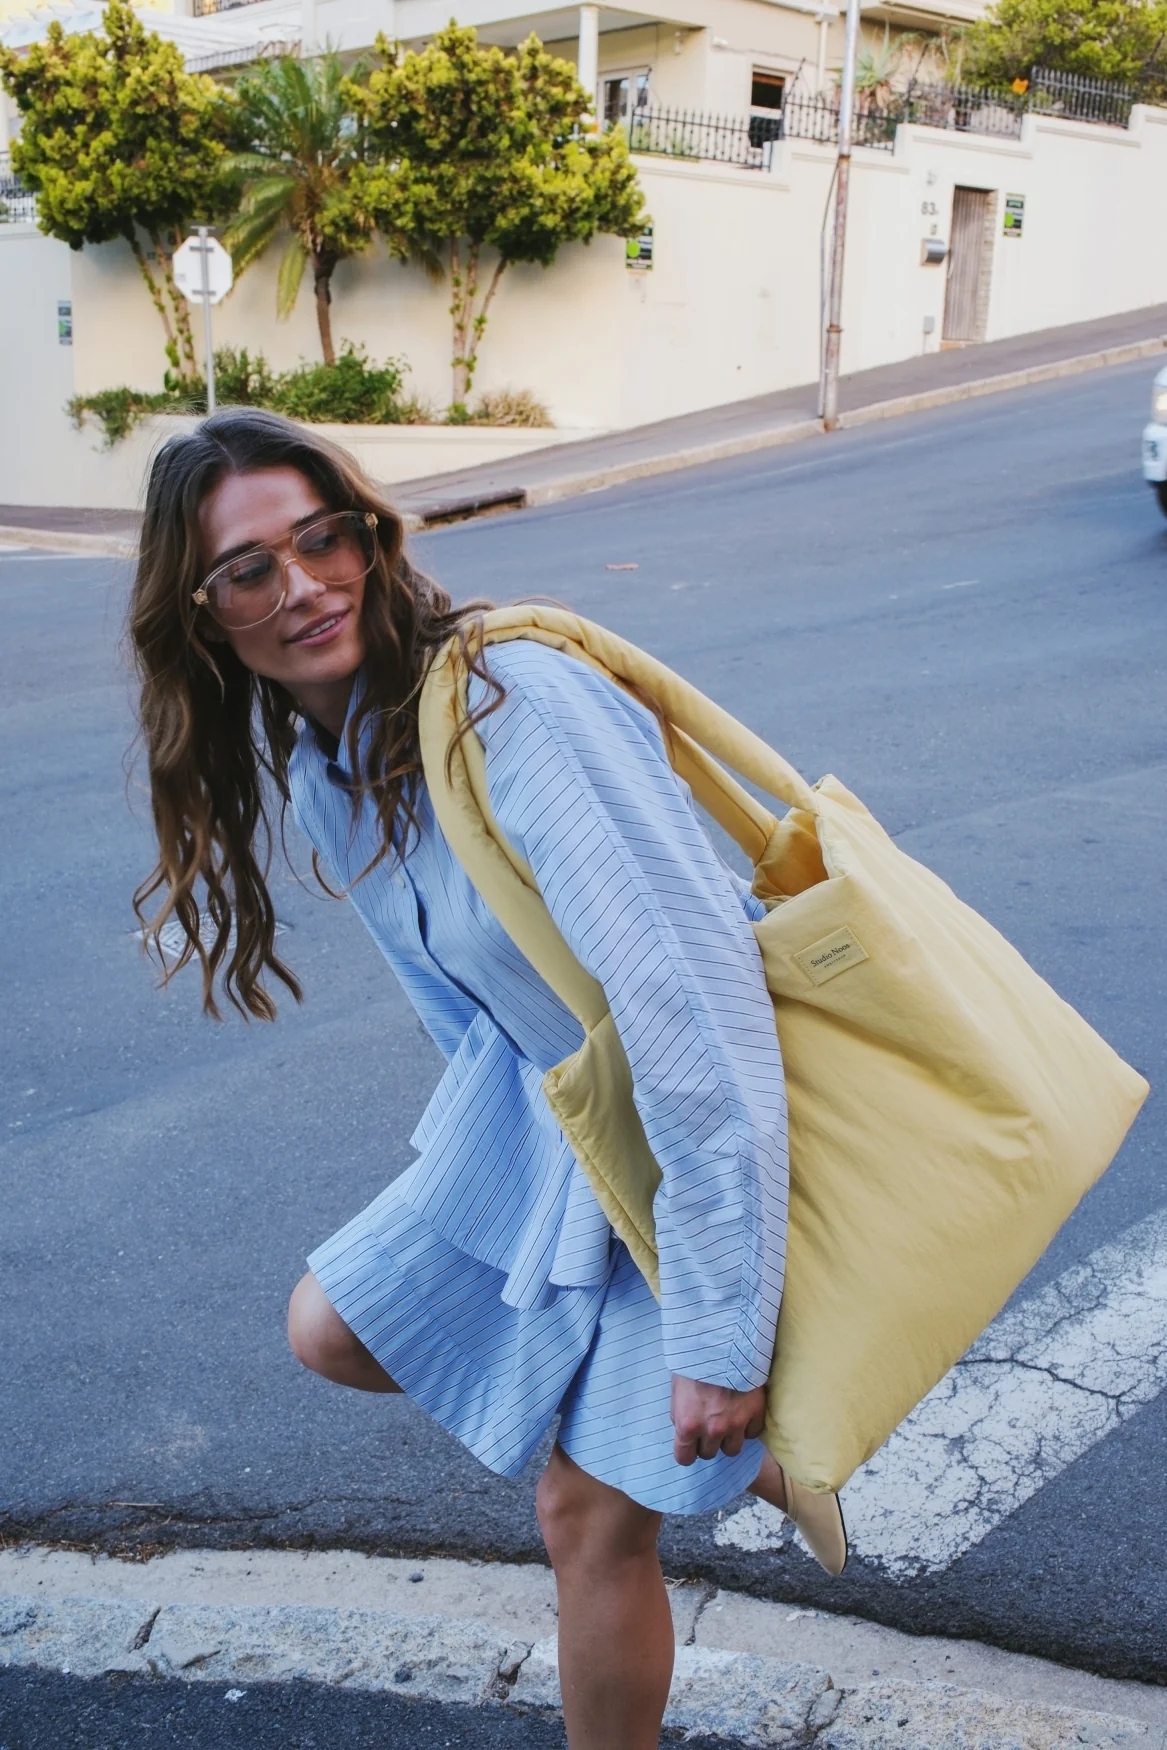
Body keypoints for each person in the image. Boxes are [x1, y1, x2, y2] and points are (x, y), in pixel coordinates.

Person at [130, 408, 845, 1750]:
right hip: (577, 1133)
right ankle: (718, 1430)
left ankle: (712, 1408)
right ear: (202, 613)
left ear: (368, 535)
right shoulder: (333, 758)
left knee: (583, 1517)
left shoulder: (510, 704)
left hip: (703, 1130)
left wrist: (718, 1326)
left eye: (322, 538)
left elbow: (690, 1007)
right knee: (336, 1325)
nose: (304, 587)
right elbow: (467, 1026)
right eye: (249, 570)